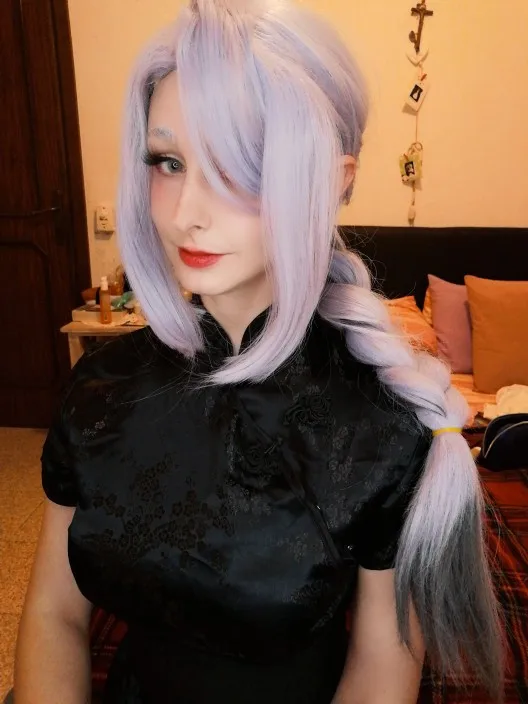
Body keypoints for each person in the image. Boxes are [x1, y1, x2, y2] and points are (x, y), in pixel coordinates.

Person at [14, 0, 505, 702]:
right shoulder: (100, 388)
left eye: (237, 167)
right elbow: (54, 612)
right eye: (169, 161)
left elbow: (382, 665)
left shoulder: (380, 427)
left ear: (334, 180)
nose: (186, 213)